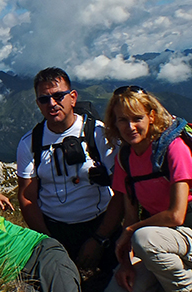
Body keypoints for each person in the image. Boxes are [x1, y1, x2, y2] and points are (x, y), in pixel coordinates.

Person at [104, 86, 192, 292]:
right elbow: (130, 217)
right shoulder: (125, 159)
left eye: (137, 118)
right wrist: (125, 264)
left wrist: (131, 231)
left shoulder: (174, 149)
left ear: (151, 117)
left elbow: (176, 216)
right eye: (122, 120)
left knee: (143, 238)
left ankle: (190, 287)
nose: (130, 126)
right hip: (159, 244)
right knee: (118, 288)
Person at [15, 67, 122, 285]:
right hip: (55, 229)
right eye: (44, 99)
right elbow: (27, 197)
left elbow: (121, 191)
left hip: (101, 224)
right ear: (38, 104)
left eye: (58, 96)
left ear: (72, 97)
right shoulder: (30, 143)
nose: (52, 104)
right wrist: (49, 242)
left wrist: (99, 238)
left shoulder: (98, 134)